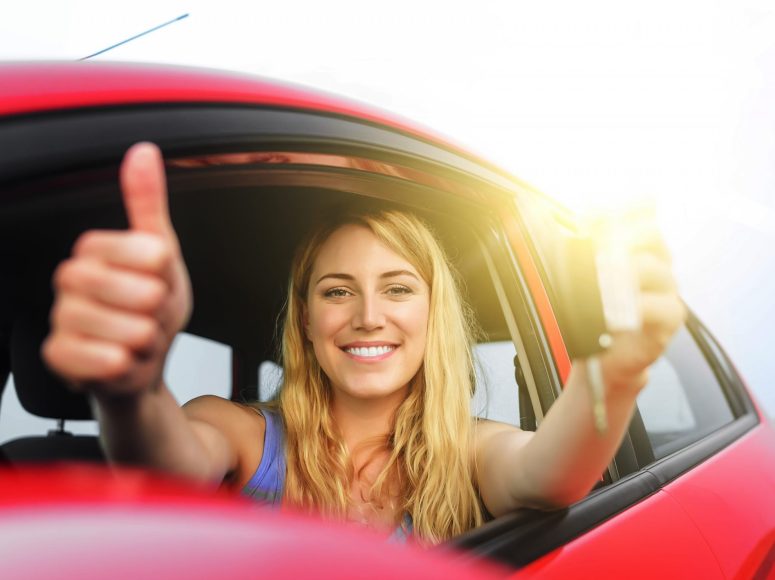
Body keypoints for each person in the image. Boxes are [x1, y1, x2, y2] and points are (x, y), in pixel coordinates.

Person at [42, 142, 686, 544]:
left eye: (399, 289)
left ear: (434, 316)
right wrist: (131, 391)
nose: (369, 316)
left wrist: (616, 372)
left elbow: (550, 474)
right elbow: (167, 466)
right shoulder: (235, 431)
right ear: (304, 317)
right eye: (338, 291)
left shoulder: (469, 449)